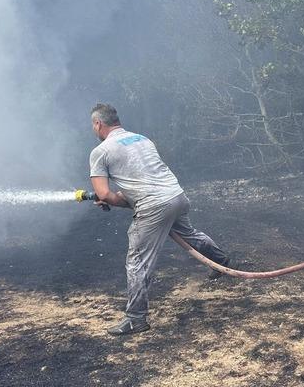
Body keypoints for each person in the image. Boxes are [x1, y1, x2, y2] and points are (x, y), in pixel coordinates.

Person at [88, 103, 231, 335]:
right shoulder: (142, 139)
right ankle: (222, 262)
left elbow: (104, 193)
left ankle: (135, 319)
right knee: (190, 234)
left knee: (138, 262)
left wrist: (111, 199)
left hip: (154, 206)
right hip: (176, 196)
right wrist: (122, 198)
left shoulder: (101, 151)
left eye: (93, 126)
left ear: (98, 123)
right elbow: (145, 180)